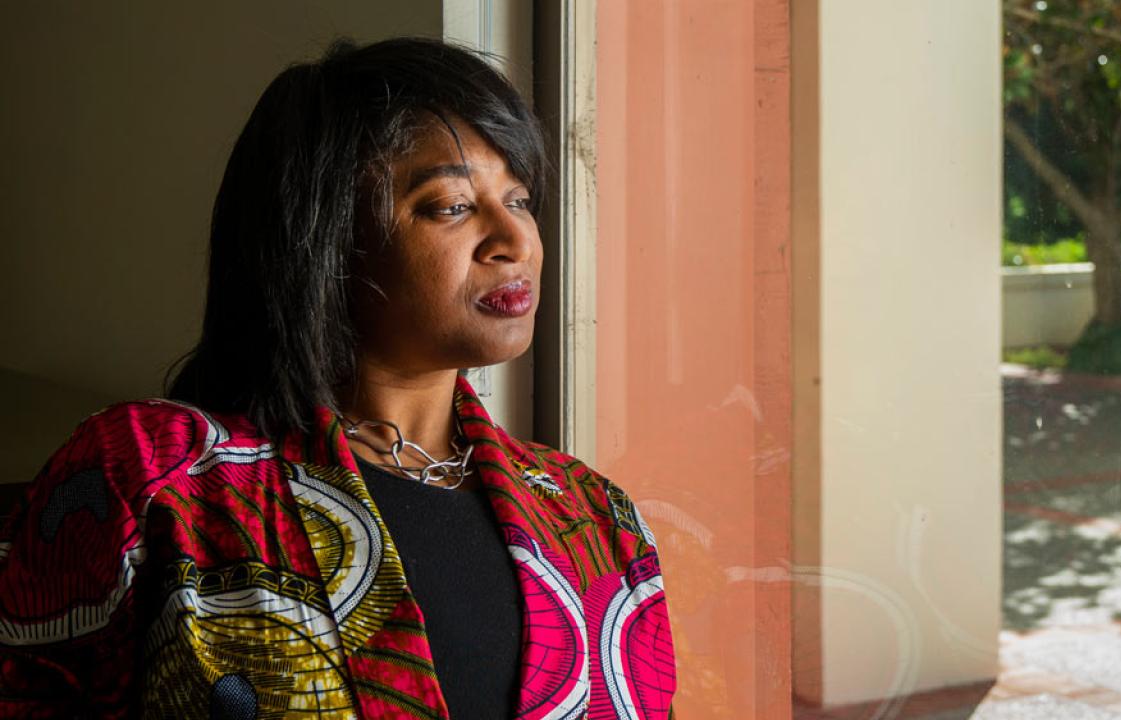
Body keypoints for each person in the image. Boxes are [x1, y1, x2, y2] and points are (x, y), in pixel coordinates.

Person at [0, 37, 675, 719]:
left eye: (521, 199)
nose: (514, 240)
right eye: (451, 205)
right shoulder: (155, 478)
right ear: (327, 238)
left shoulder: (595, 520)